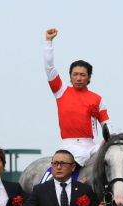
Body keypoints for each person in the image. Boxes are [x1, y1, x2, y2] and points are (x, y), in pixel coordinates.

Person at [44, 28, 110, 167]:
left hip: (91, 146)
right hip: (69, 146)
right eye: (75, 74)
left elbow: (106, 124)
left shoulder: (97, 99)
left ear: (89, 77)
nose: (78, 78)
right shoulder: (61, 91)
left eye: (82, 75)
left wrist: (113, 139)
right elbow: (49, 68)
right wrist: (49, 42)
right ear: (70, 76)